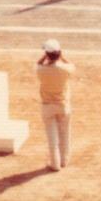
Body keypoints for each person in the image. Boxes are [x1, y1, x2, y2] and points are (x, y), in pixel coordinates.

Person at [36, 39, 75, 171]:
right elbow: (70, 65)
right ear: (59, 53)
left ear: (47, 54)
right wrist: (61, 56)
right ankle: (64, 160)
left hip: (47, 106)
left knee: (52, 137)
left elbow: (38, 63)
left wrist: (46, 56)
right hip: (63, 104)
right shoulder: (65, 70)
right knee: (65, 133)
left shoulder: (41, 70)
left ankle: (55, 164)